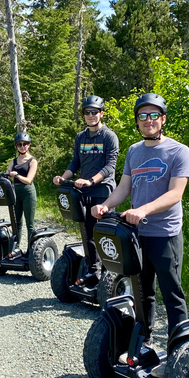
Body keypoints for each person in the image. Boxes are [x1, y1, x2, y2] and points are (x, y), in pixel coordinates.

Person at [91, 93, 189, 377]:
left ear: (163, 119)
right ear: (137, 121)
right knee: (143, 291)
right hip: (137, 234)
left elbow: (175, 193)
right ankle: (143, 345)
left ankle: (177, 355)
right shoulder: (134, 151)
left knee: (172, 294)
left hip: (165, 234)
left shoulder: (178, 151)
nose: (148, 121)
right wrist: (106, 205)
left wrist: (144, 209)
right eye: (142, 116)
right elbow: (123, 188)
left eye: (153, 115)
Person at [53, 95, 119, 283]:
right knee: (88, 234)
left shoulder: (109, 136)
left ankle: (109, 273)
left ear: (101, 114)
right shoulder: (80, 137)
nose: (90, 115)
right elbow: (75, 162)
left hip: (103, 192)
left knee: (104, 234)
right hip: (85, 191)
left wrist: (91, 180)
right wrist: (63, 177)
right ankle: (93, 270)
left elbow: (109, 167)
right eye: (86, 112)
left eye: (94, 112)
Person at [7, 132, 38, 254]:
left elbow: (29, 180)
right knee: (16, 222)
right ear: (16, 146)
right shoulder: (13, 161)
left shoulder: (32, 161)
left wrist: (17, 175)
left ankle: (31, 249)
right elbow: (7, 174)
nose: (22, 146)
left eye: (25, 144)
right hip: (16, 191)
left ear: (29, 145)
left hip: (27, 192)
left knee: (29, 223)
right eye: (19, 144)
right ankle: (16, 248)